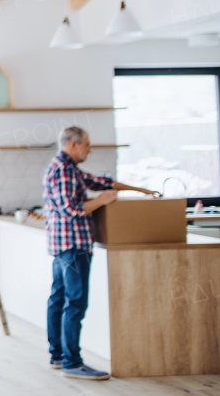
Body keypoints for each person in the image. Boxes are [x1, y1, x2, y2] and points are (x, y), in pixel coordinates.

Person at [43, 125, 161, 380]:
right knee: (75, 303)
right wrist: (102, 200)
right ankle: (72, 363)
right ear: (73, 144)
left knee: (59, 298)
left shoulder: (68, 168)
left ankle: (59, 355)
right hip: (72, 246)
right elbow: (71, 209)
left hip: (64, 246)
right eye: (86, 145)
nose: (89, 150)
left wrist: (140, 190)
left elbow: (100, 182)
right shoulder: (63, 170)